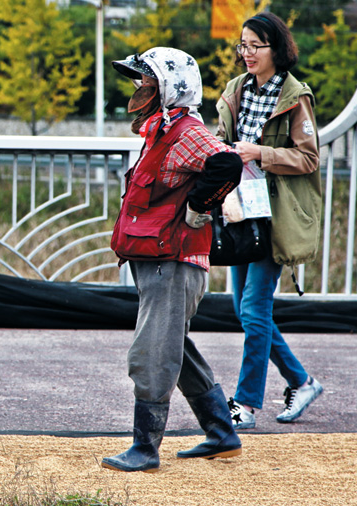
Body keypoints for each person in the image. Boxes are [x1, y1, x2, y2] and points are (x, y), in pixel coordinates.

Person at [103, 47, 243, 473]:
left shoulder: (185, 131)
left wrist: (199, 206)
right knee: (172, 347)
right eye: (137, 80)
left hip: (175, 262)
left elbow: (227, 161)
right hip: (160, 262)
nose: (138, 88)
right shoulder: (161, 131)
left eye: (145, 80)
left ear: (168, 86)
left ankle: (144, 449)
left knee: (151, 354)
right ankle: (221, 432)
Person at [216, 12, 323, 430]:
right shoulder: (235, 91)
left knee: (254, 310)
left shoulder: (296, 96)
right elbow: (223, 143)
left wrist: (261, 152)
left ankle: (245, 404)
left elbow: (310, 158)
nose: (247, 54)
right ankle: (301, 380)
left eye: (255, 46)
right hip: (239, 210)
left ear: (276, 49)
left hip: (274, 216)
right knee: (246, 312)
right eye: (242, 46)